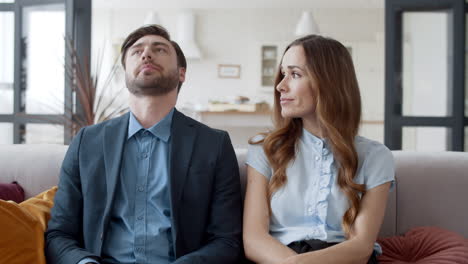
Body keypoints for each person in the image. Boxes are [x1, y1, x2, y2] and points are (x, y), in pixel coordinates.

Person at [45, 24, 243, 264]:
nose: (147, 54)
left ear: (182, 73)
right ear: (125, 73)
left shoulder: (214, 145)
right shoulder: (87, 142)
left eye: (159, 49)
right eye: (137, 51)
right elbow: (59, 234)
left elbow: (227, 240)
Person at [243, 35, 394, 264]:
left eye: (294, 74)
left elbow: (361, 247)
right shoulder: (265, 149)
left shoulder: (376, 156)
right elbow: (254, 240)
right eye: (283, 74)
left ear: (328, 82)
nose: (280, 86)